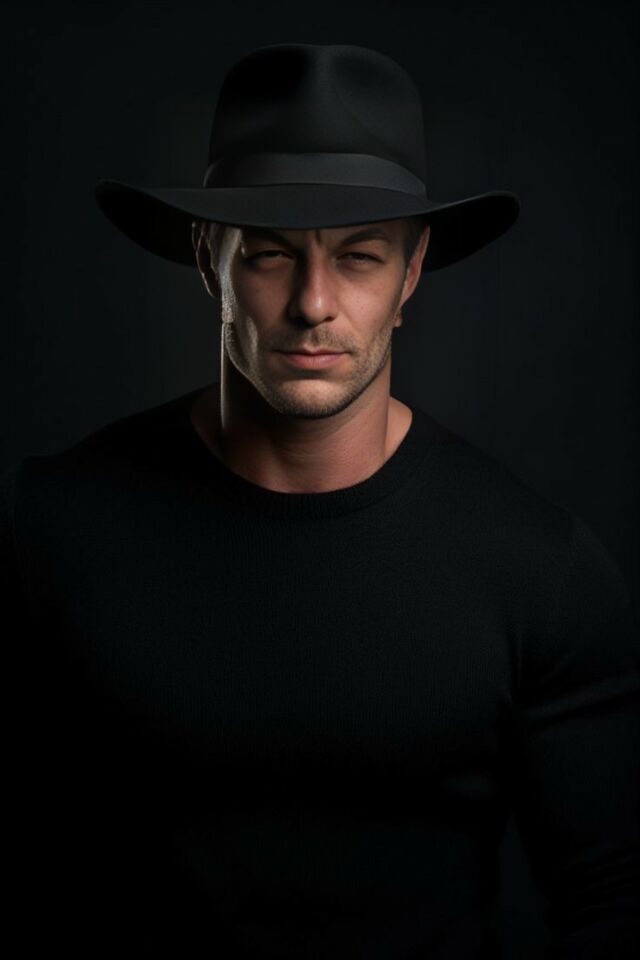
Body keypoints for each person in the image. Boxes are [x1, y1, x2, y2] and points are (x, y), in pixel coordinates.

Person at [2, 42, 638, 959]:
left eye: (359, 257)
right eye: (269, 255)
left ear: (409, 275)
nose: (313, 303)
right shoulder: (52, 529)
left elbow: (613, 892)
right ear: (209, 261)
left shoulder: (541, 571)